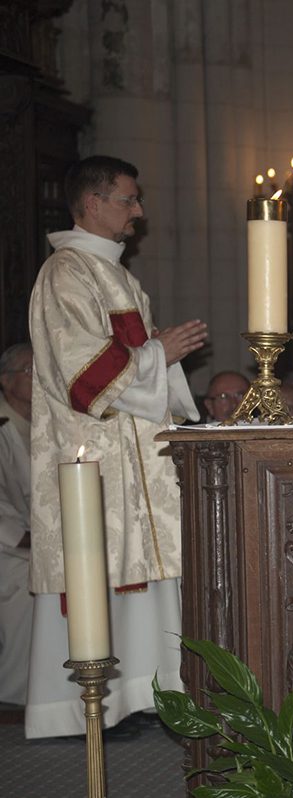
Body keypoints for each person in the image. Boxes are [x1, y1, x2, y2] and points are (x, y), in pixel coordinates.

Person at [26, 155, 207, 738]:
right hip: (95, 460)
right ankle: (83, 707)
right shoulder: (65, 274)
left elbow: (128, 364)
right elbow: (81, 375)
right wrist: (160, 355)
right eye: (128, 200)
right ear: (92, 203)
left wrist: (157, 354)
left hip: (133, 458)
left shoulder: (117, 276)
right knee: (101, 569)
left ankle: (144, 694)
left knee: (144, 573)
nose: (139, 211)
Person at [0, 343, 34, 706]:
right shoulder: (2, 428)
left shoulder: (44, 424)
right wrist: (25, 539)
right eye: (30, 370)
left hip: (37, 540)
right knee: (31, 588)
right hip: (9, 547)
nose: (38, 377)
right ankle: (15, 694)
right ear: (6, 383)